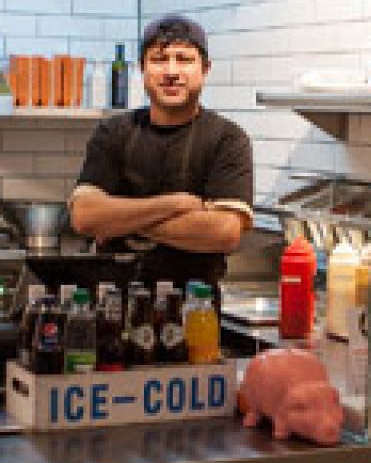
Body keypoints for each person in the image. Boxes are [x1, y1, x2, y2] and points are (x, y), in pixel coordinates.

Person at [69, 16, 254, 296]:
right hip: (113, 307)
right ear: (142, 69)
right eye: (159, 59)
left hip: (194, 308)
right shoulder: (114, 132)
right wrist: (177, 204)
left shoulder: (227, 139)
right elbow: (84, 216)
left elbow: (224, 232)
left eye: (184, 59)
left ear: (205, 69)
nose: (171, 71)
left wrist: (119, 220)